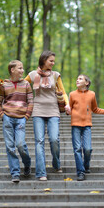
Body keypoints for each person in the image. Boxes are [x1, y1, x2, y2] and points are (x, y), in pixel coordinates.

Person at [25, 51, 70, 181]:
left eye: (53, 61)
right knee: (39, 141)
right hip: (38, 110)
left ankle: (56, 163)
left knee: (54, 139)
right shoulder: (32, 75)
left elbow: (64, 92)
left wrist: (67, 104)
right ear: (43, 60)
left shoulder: (56, 75)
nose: (53, 63)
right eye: (51, 60)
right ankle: (41, 172)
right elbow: (21, 85)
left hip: (53, 110)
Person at [0, 60, 34, 183]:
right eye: (20, 68)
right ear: (12, 70)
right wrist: (2, 115)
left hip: (21, 118)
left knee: (20, 145)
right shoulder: (3, 85)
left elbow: (31, 102)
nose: (22, 71)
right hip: (8, 118)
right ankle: (15, 173)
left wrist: (26, 116)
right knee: (10, 147)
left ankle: (27, 163)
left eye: (22, 68)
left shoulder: (26, 84)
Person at [68, 74, 104, 181]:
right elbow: (70, 109)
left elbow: (94, 109)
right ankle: (80, 172)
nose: (77, 80)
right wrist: (67, 111)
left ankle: (86, 165)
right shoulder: (72, 94)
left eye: (80, 79)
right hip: (75, 125)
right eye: (77, 78)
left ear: (87, 83)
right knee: (77, 149)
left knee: (87, 149)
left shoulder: (92, 94)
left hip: (87, 125)